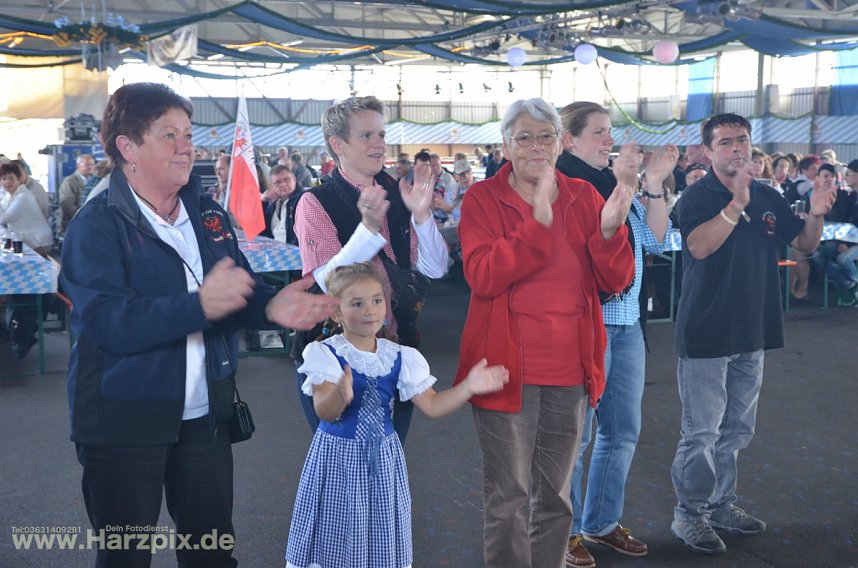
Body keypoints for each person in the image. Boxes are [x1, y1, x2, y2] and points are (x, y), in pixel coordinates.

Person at [60, 82, 337, 568]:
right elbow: (108, 325)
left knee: (210, 555)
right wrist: (199, 306)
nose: (187, 146)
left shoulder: (208, 214)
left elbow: (237, 288)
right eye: (169, 135)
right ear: (127, 147)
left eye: (188, 133)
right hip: (122, 423)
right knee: (126, 558)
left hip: (205, 418)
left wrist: (270, 308)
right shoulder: (96, 225)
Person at [455, 98, 635, 568]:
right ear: (505, 145)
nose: (537, 146)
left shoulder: (584, 196)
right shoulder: (481, 199)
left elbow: (613, 282)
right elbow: (483, 275)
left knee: (555, 497)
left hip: (570, 371)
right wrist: (536, 225)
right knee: (508, 498)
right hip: (502, 371)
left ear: (560, 142)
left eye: (546, 136)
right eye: (524, 137)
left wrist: (611, 234)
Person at [670, 113, 835, 555]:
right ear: (708, 151)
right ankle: (690, 514)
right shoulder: (697, 197)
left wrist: (816, 215)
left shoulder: (767, 194)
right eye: (725, 142)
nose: (736, 148)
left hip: (753, 329)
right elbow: (700, 247)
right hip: (705, 330)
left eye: (742, 139)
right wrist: (736, 204)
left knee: (736, 431)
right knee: (700, 434)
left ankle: (722, 504)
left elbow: (803, 244)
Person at [284, 262, 508, 568]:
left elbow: (432, 405)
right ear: (336, 313)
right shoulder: (325, 353)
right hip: (338, 459)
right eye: (357, 303)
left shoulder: (399, 356)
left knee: (378, 531)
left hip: (383, 461)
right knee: (337, 528)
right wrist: (340, 393)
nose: (369, 310)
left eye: (377, 300)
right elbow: (324, 410)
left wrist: (469, 387)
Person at [556, 101, 676, 566]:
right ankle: (560, 530)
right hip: (585, 323)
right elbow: (593, 245)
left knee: (622, 429)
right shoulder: (563, 185)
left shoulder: (609, 180)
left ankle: (600, 524)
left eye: (610, 131)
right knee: (576, 436)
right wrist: (630, 182)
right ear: (570, 140)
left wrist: (654, 185)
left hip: (627, 323)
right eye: (600, 132)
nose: (610, 140)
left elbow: (657, 239)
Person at [293, 96, 449, 442]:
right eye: (367, 136)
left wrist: (422, 216)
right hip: (337, 355)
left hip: (395, 351)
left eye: (381, 134)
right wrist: (368, 228)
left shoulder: (397, 193)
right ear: (338, 145)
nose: (379, 144)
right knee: (342, 462)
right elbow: (326, 280)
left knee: (389, 460)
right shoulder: (314, 203)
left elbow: (434, 269)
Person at [811, 162, 858, 305]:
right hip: (841, 239)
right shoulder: (853, 196)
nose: (845, 177)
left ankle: (852, 286)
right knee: (816, 255)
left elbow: (843, 220)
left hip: (846, 240)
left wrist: (847, 243)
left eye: (848, 174)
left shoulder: (844, 195)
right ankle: (850, 285)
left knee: (841, 259)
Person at [0, 161, 53, 255]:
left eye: (11, 178)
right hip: (27, 241)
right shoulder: (9, 195)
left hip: (39, 242)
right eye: (4, 179)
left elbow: (4, 219)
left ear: (19, 180)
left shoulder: (23, 196)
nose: (7, 182)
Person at [261, 164, 303, 245]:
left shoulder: (303, 200)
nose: (283, 185)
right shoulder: (272, 203)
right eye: (277, 182)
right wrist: (263, 202)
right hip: (273, 249)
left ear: (294, 179)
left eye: (287, 180)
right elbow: (259, 230)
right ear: (271, 185)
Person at [58, 153, 95, 234]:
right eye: (87, 165)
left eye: (92, 164)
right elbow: (67, 204)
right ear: (78, 166)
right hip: (73, 224)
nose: (91, 167)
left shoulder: (94, 180)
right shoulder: (69, 182)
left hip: (90, 223)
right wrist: (85, 216)